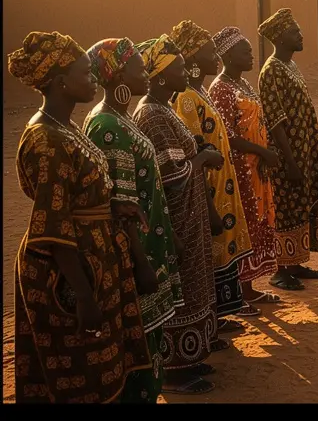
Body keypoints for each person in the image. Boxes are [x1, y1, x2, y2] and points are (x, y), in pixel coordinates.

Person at [8, 31, 151, 403]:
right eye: (86, 74)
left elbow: (75, 196)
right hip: (66, 273)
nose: (93, 81)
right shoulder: (46, 140)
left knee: (104, 368)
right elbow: (51, 224)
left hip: (93, 260)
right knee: (79, 373)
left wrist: (112, 207)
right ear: (60, 82)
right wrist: (84, 296)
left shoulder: (65, 127)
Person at [84, 37, 187, 403]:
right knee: (138, 346)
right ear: (116, 75)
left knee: (149, 342)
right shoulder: (107, 126)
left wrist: (168, 236)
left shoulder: (120, 117)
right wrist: (141, 263)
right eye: (139, 68)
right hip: (135, 254)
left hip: (150, 244)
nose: (146, 74)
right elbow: (122, 205)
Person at [134, 36, 223, 395]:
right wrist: (203, 158)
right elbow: (168, 173)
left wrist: (198, 152)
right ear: (159, 76)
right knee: (180, 286)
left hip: (189, 211)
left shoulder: (164, 107)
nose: (186, 72)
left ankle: (190, 356)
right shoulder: (151, 114)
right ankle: (174, 369)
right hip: (174, 216)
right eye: (179, 68)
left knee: (194, 282)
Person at [168, 20, 255, 323]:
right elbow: (194, 152)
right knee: (209, 252)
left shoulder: (199, 91)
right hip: (208, 192)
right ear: (193, 56)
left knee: (220, 250)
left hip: (220, 189)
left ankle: (221, 313)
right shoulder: (186, 98)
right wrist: (209, 206)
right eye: (208, 51)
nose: (215, 56)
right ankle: (212, 317)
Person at [257, 8, 318, 291]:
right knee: (285, 208)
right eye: (294, 32)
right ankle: (280, 270)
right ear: (280, 37)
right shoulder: (271, 71)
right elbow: (275, 120)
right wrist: (290, 161)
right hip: (287, 154)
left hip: (303, 150)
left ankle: (296, 262)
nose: (301, 35)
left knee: (300, 204)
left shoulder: (289, 65)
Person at [209, 27, 283, 306]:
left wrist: (266, 152)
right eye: (245, 52)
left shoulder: (243, 84)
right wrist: (262, 151)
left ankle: (249, 288)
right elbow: (227, 135)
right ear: (228, 55)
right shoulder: (221, 89)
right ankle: (243, 291)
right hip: (240, 169)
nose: (252, 56)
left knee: (257, 222)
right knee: (244, 225)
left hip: (257, 168)